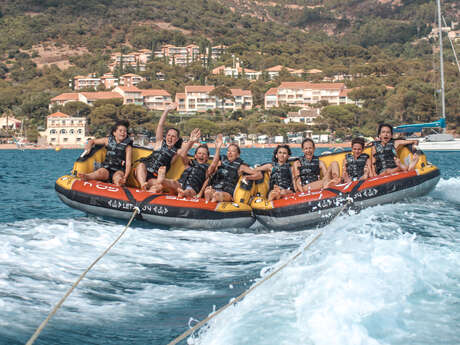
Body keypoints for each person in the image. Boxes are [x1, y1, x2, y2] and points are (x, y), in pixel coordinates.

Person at [152, 132, 224, 198]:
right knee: (173, 182)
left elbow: (214, 163)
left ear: (207, 157)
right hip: (180, 183)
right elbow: (183, 154)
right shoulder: (190, 163)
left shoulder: (207, 168)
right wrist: (191, 141)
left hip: (193, 188)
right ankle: (162, 180)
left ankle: (182, 193)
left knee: (189, 191)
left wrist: (217, 149)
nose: (201, 155)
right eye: (199, 153)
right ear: (195, 156)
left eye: (204, 154)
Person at [135, 103, 183, 191]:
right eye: (168, 135)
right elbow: (160, 125)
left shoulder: (176, 152)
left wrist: (192, 140)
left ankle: (148, 191)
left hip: (154, 178)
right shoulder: (159, 143)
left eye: (173, 136)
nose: (170, 138)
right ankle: (143, 185)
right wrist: (166, 110)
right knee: (141, 165)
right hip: (143, 171)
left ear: (176, 139)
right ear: (165, 136)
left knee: (159, 186)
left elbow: (185, 150)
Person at [78, 120, 132, 186]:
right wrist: (88, 147)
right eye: (120, 131)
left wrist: (125, 177)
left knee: (117, 177)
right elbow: (92, 141)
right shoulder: (107, 140)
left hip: (119, 169)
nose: (123, 133)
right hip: (107, 167)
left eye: (125, 131)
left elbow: (128, 164)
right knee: (100, 172)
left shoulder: (128, 147)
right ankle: (87, 176)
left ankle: (119, 183)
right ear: (114, 133)